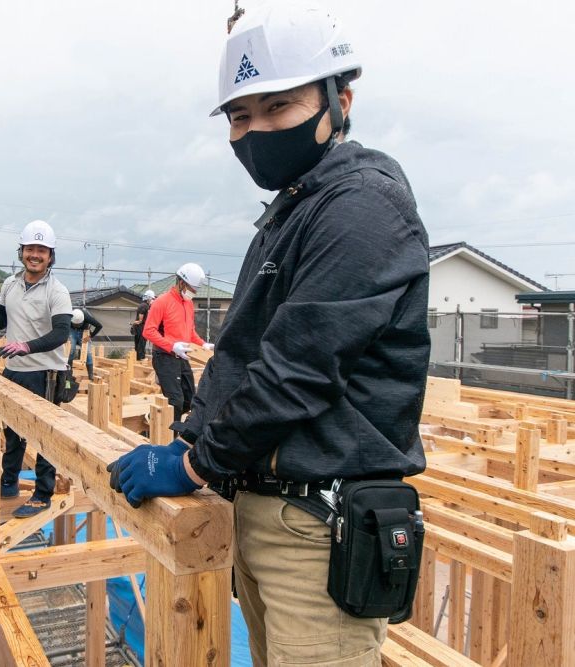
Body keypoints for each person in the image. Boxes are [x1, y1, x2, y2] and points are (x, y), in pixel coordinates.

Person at [108, 3, 430, 665]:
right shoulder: (292, 211)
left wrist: (192, 463)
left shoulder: (362, 208)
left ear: (340, 101)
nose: (255, 131)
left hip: (318, 526)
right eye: (240, 116)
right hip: (264, 511)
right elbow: (245, 355)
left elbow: (296, 371)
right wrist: (193, 436)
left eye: (278, 108)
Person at [0, 220, 73, 518]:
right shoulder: (10, 284)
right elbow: (4, 319)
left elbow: (61, 333)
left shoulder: (57, 291)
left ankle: (42, 493)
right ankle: (9, 482)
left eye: (42, 250)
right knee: (13, 430)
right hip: (15, 369)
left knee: (44, 434)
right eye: (30, 248)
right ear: (21, 252)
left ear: (50, 256)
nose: (35, 255)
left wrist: (27, 346)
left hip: (45, 372)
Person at [142, 263, 213, 421]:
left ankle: (156, 418)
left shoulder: (188, 303)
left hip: (181, 357)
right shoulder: (162, 302)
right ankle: (169, 439)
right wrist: (172, 346)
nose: (194, 292)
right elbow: (148, 331)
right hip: (164, 357)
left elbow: (190, 332)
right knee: (175, 401)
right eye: (192, 288)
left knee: (189, 400)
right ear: (181, 282)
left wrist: (203, 344)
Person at [67, 308, 102, 380]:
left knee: (88, 352)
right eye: (75, 324)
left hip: (84, 331)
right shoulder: (68, 317)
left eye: (78, 324)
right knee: (71, 351)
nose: (77, 326)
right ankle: (68, 374)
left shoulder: (86, 317)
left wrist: (90, 336)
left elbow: (99, 326)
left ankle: (90, 375)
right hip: (72, 331)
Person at [131, 289, 155, 361]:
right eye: (152, 298)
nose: (152, 300)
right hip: (141, 327)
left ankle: (138, 357)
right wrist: (137, 322)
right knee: (141, 342)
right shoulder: (144, 306)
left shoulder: (144, 305)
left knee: (139, 342)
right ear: (149, 298)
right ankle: (141, 357)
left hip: (140, 326)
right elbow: (140, 319)